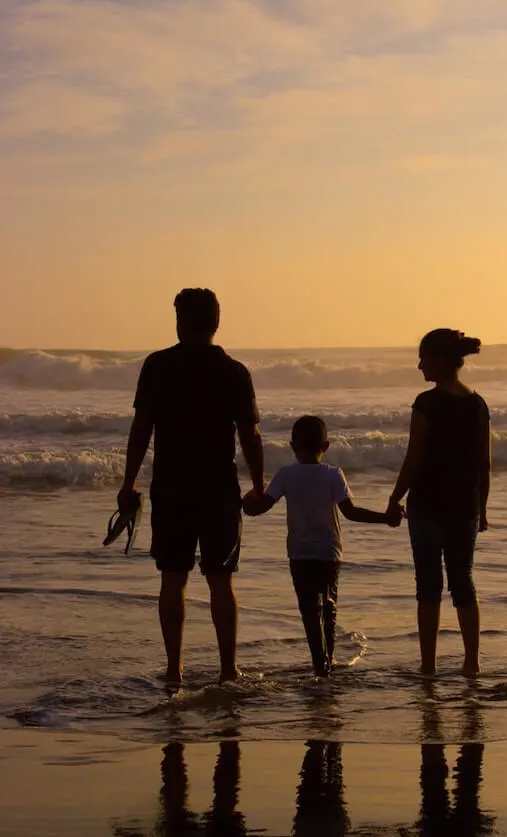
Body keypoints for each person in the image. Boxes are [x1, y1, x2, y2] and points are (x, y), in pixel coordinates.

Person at [117, 288, 264, 687]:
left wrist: (129, 482)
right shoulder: (233, 371)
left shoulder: (158, 366)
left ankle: (173, 668)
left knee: (173, 577)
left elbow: (141, 429)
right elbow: (250, 435)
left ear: (180, 321)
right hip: (218, 487)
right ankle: (228, 669)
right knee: (220, 578)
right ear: (216, 322)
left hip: (171, 485)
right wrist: (259, 485)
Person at [243, 415, 402, 677]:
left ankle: (319, 664)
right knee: (329, 606)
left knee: (308, 609)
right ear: (326, 446)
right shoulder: (333, 474)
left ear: (293, 446)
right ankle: (326, 661)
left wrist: (241, 503)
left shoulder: (285, 475)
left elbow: (260, 507)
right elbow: (350, 512)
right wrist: (385, 518)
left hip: (300, 552)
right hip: (329, 552)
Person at [386, 329, 491, 677]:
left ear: (441, 360)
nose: (419, 365)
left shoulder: (427, 403)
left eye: (423, 358)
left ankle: (428, 665)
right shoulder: (477, 404)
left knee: (428, 585)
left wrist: (394, 498)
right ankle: (472, 661)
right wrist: (483, 508)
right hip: (464, 506)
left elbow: (413, 458)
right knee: (463, 580)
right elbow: (483, 462)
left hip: (428, 505)